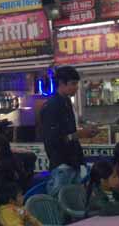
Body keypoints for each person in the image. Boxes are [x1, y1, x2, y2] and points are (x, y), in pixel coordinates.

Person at [40, 66, 97, 195]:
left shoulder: (67, 102)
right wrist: (79, 134)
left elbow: (69, 132)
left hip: (73, 162)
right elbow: (53, 139)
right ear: (61, 83)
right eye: (73, 83)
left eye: (77, 84)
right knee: (61, 201)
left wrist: (83, 132)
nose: (76, 87)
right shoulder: (52, 106)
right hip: (62, 164)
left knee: (75, 201)